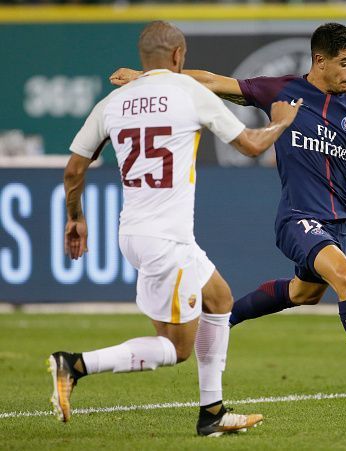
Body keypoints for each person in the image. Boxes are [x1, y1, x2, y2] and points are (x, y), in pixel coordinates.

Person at [111, 22, 346, 411]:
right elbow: (212, 81)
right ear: (319, 60)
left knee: (304, 293)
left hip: (335, 221)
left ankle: (222, 319)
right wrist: (148, 78)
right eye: (345, 63)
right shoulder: (282, 91)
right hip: (296, 219)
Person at [50, 21, 301, 437]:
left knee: (219, 299)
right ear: (179, 56)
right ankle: (74, 364)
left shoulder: (115, 101)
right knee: (176, 349)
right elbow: (254, 145)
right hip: (166, 241)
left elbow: (75, 168)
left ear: (142, 58)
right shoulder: (190, 94)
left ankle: (213, 412)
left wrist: (75, 217)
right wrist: (282, 119)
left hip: (134, 232)